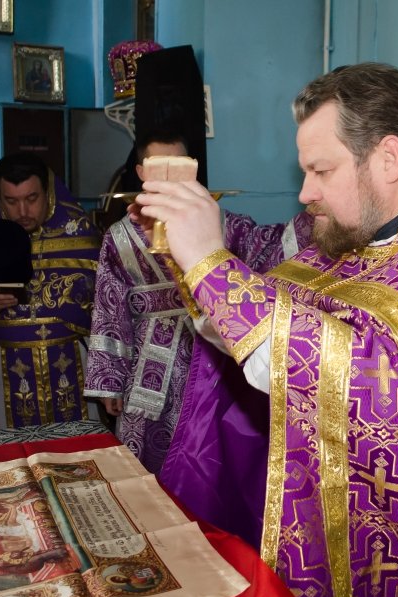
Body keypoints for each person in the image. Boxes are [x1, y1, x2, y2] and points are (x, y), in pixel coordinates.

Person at [133, 63, 398, 597]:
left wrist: (212, 265)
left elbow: (370, 386)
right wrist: (190, 265)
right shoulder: (364, 238)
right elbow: (270, 342)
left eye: (321, 170)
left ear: (388, 158)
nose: (305, 193)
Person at [84, 128, 313, 474]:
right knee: (146, 468)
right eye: (159, 167)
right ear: (142, 171)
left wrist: (316, 214)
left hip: (213, 361)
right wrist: (108, 382)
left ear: (192, 169)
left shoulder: (220, 224)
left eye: (179, 166)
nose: (170, 176)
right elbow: (110, 309)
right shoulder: (120, 236)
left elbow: (269, 247)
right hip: (148, 369)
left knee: (210, 461)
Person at [0, 152, 102, 432]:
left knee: (78, 448)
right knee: (13, 449)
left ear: (48, 192)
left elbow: (110, 306)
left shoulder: (81, 234)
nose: (22, 212)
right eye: (11, 201)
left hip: (70, 362)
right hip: (6, 368)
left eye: (32, 198)